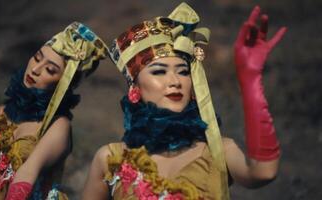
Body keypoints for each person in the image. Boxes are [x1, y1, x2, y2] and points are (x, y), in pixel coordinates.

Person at [82, 3, 286, 200]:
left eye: (183, 71)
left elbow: (263, 172)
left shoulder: (218, 151)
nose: (175, 81)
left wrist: (250, 79)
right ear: (135, 88)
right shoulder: (111, 159)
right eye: (159, 72)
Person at [0, 22, 107, 200]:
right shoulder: (8, 114)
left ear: (64, 85)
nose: (35, 70)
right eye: (37, 58)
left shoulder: (59, 126)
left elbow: (28, 172)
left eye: (50, 70)